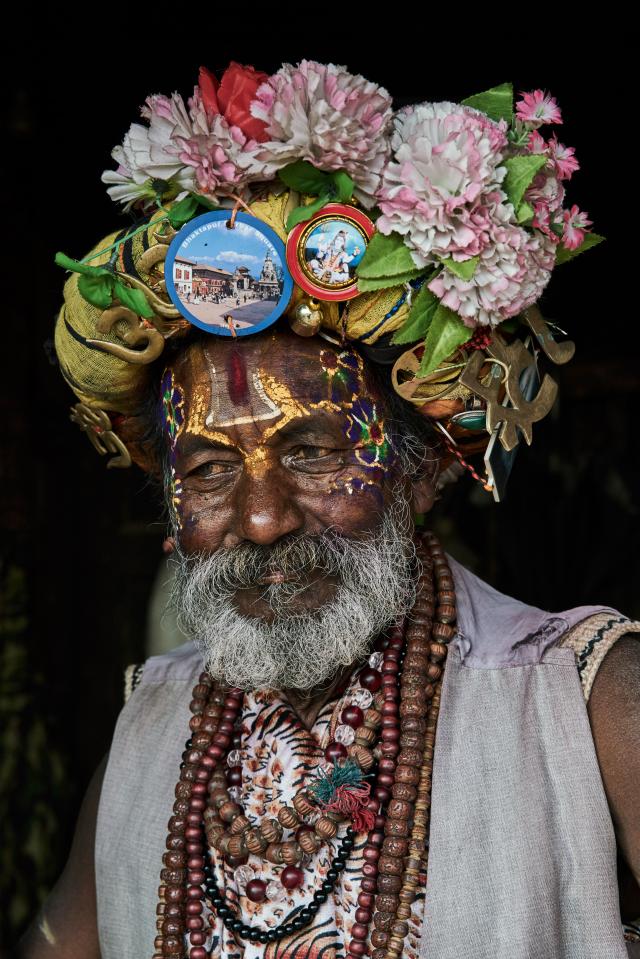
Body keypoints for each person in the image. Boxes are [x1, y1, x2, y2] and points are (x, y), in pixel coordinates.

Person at [19, 60, 640, 959]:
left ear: (421, 471)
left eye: (313, 452)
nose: (263, 519)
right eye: (208, 469)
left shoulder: (586, 701)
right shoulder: (151, 727)